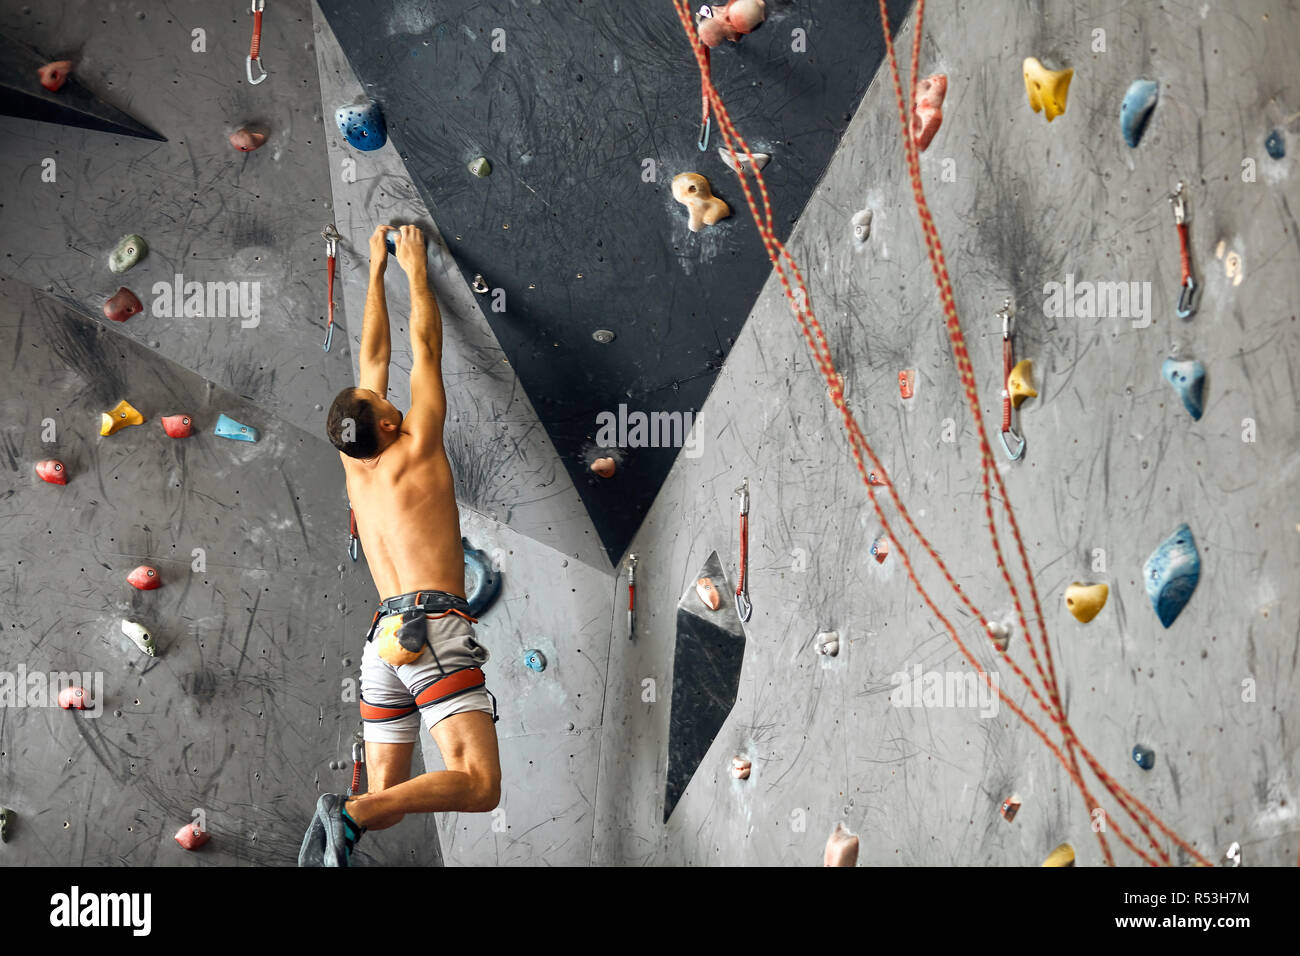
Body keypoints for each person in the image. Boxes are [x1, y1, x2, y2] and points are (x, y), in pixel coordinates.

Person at [299, 224, 501, 867]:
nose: (384, 392)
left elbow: (373, 353)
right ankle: (347, 812)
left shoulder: (352, 458)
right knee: (479, 785)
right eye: (383, 400)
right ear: (388, 423)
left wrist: (374, 265)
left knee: (387, 797)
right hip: (429, 629)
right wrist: (413, 267)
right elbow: (424, 348)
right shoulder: (415, 446)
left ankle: (353, 815)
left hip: (382, 641)